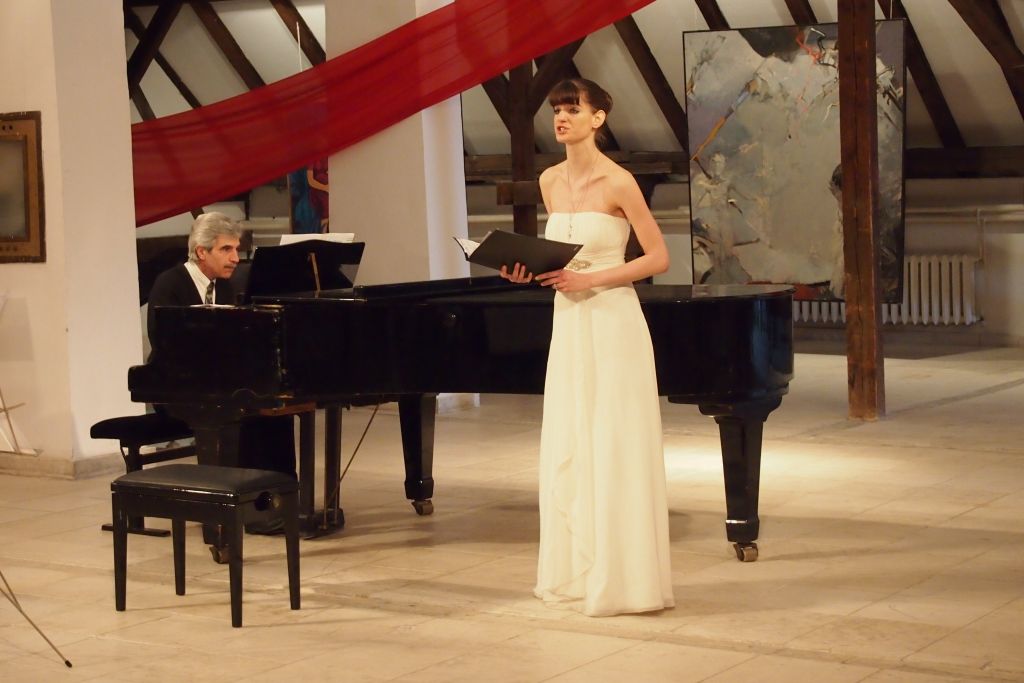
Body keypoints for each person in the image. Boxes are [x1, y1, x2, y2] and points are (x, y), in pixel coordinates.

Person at [500, 78, 674, 616]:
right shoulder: (549, 180)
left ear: (598, 118)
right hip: (569, 320)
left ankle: (626, 581)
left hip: (612, 319)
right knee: (573, 434)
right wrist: (524, 270)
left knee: (613, 439)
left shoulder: (619, 181)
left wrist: (592, 279)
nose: (561, 118)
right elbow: (557, 257)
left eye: (573, 109)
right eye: (557, 109)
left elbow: (658, 257)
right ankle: (577, 572)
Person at [147, 212, 296, 482]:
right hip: (175, 383)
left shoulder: (226, 286)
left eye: (236, 249)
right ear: (201, 252)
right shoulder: (170, 283)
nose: (236, 258)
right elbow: (165, 343)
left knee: (273, 410)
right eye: (226, 249)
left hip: (219, 380)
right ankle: (220, 494)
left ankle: (269, 490)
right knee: (228, 411)